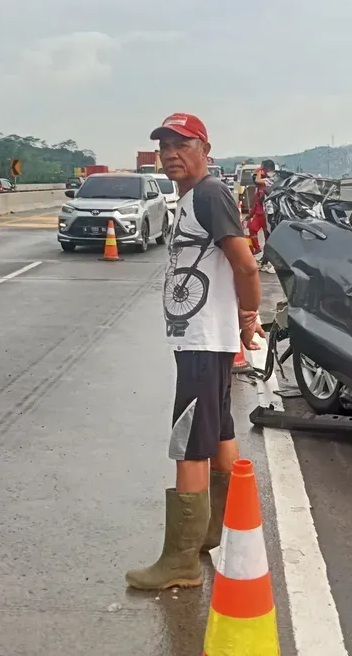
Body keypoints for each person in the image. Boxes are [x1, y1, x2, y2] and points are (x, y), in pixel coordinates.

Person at [126, 113, 264, 591]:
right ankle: (213, 530)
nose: (170, 154)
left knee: (188, 442)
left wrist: (249, 316)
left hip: (205, 339)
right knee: (219, 429)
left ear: (204, 147)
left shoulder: (208, 194)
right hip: (202, 338)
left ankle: (180, 561)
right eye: (164, 146)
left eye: (181, 144)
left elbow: (245, 265)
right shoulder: (189, 197)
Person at [248, 159, 274, 255]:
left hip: (267, 214)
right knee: (252, 228)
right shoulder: (257, 189)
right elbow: (256, 203)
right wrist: (250, 215)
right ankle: (257, 248)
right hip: (259, 214)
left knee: (268, 235)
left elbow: (258, 180)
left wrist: (260, 170)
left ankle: (268, 254)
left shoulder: (267, 184)